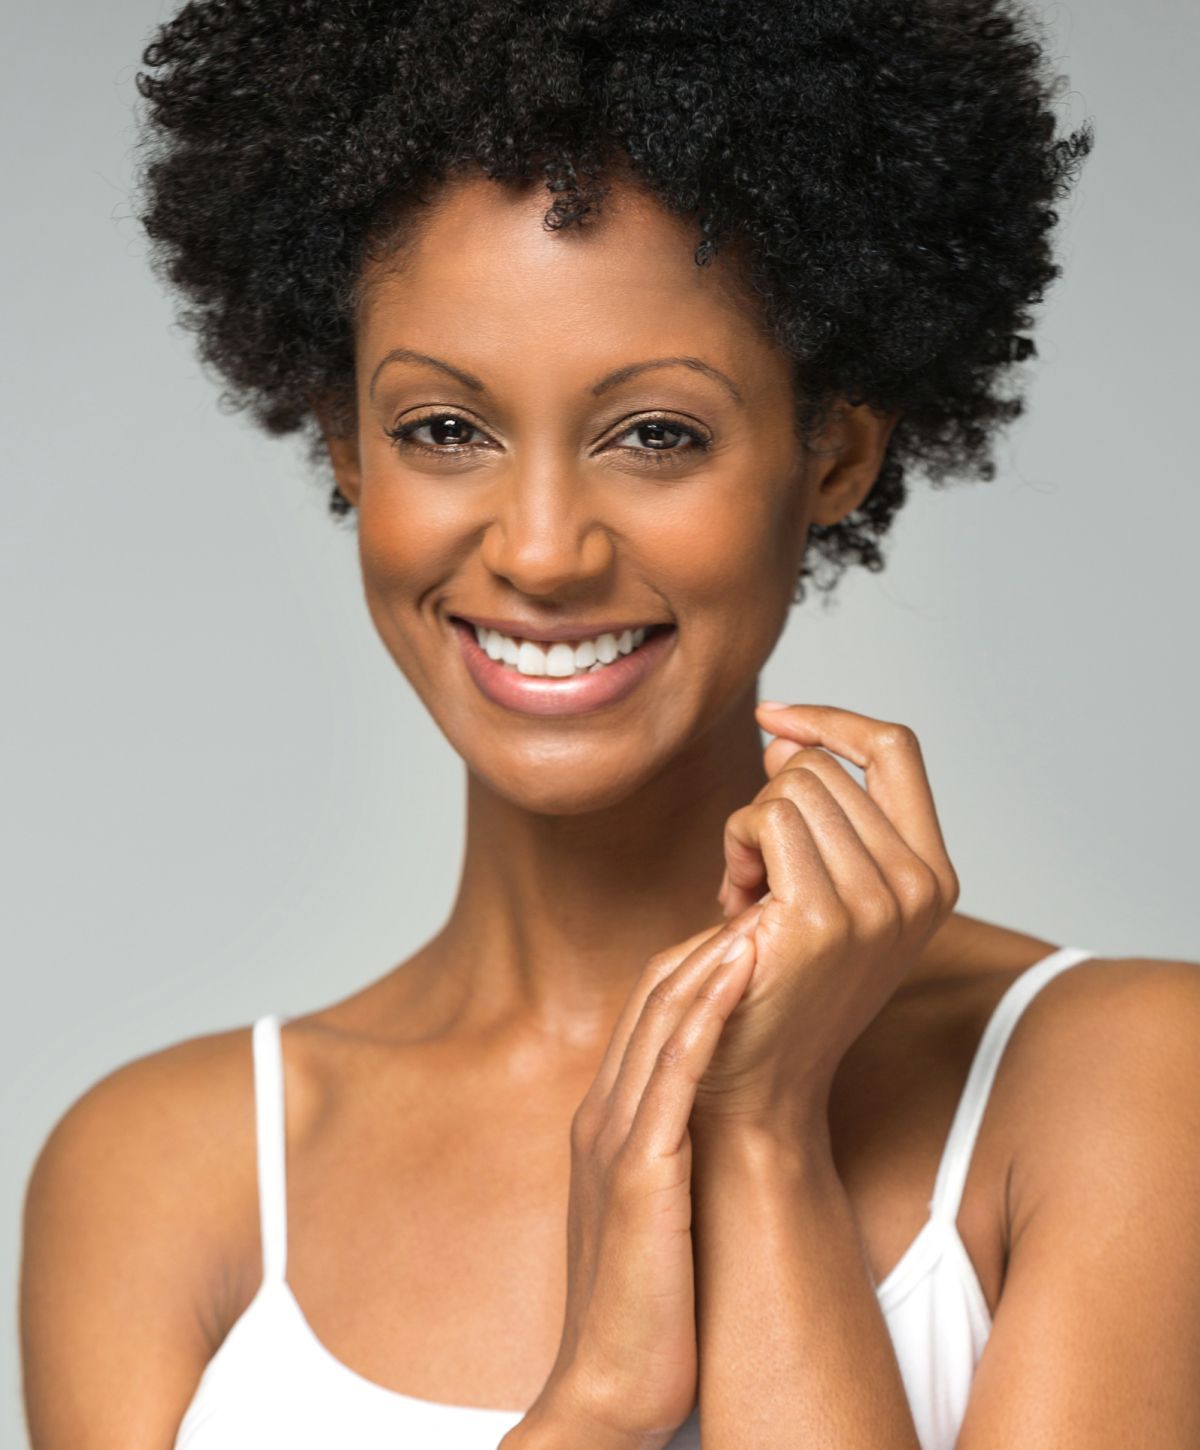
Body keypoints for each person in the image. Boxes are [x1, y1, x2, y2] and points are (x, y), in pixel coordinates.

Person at [19, 1, 1200, 1447]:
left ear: (832, 453)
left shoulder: (1124, 1081)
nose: (543, 548)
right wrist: (589, 1407)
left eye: (658, 433)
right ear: (343, 442)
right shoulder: (162, 1176)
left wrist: (762, 1141)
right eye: (444, 428)